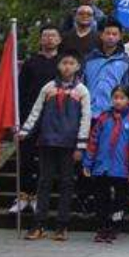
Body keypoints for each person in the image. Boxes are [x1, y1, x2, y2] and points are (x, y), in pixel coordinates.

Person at [19, 50, 91, 241]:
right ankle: (38, 224)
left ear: (78, 67)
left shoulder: (81, 90)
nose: (67, 66)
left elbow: (86, 119)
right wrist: (25, 131)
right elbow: (36, 111)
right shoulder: (49, 87)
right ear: (58, 66)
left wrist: (81, 145)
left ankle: (62, 225)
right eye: (64, 63)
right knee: (44, 182)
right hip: (47, 141)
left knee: (67, 183)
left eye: (71, 63)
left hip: (69, 144)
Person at [82, 84, 129, 242]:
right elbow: (93, 141)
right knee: (101, 198)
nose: (118, 101)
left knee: (119, 200)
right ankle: (102, 226)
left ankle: (115, 226)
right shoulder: (103, 117)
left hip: (121, 168)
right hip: (102, 166)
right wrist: (88, 163)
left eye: (122, 98)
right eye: (115, 97)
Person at [13, 24, 62, 214]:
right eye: (46, 35)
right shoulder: (30, 62)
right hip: (29, 117)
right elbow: (21, 91)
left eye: (53, 35)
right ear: (41, 39)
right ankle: (24, 195)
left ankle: (39, 197)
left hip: (53, 118)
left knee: (46, 160)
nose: (49, 39)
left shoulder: (63, 63)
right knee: (26, 157)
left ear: (59, 40)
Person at [83, 19, 129, 119]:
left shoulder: (126, 62)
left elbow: (128, 90)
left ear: (120, 37)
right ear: (101, 35)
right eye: (108, 33)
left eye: (114, 34)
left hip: (112, 115)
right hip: (88, 112)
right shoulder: (89, 59)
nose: (111, 37)